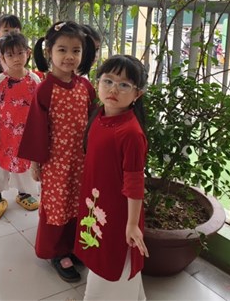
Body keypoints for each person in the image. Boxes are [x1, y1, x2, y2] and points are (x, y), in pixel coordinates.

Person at [17, 20, 97, 283]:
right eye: (62, 50)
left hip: (81, 160)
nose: (69, 56)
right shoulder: (45, 89)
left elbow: (95, 122)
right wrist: (35, 163)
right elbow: (36, 129)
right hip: (55, 162)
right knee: (57, 205)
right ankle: (56, 251)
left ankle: (75, 245)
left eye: (76, 50)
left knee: (79, 202)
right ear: (48, 51)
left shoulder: (85, 87)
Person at [75, 55, 149, 300]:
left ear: (137, 94)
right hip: (97, 203)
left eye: (124, 84)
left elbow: (134, 183)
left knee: (113, 264)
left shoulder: (131, 133)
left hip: (119, 213)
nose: (113, 89)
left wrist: (132, 224)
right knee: (100, 258)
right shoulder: (99, 116)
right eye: (108, 81)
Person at [0, 32, 40, 219]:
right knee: (0, 165)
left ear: (28, 53)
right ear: (2, 58)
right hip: (4, 135)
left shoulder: (34, 80)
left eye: (20, 53)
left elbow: (39, 111)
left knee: (24, 164)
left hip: (26, 136)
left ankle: (23, 193)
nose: (16, 58)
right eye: (10, 55)